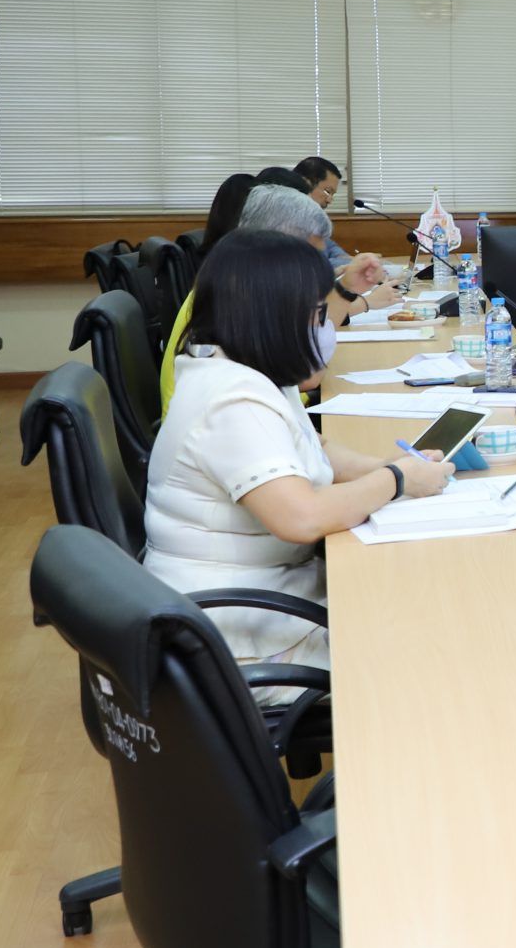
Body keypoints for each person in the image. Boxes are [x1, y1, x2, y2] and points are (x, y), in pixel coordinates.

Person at [143, 231, 454, 668]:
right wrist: (397, 480)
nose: (325, 327)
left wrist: (382, 467)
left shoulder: (241, 368)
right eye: (318, 314)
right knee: (430, 643)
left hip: (268, 598)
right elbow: (302, 517)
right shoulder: (234, 401)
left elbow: (312, 445)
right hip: (238, 639)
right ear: (275, 316)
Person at [162, 183, 389, 402]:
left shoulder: (239, 276)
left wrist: (347, 288)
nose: (313, 266)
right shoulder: (242, 294)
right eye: (308, 256)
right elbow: (306, 375)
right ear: (275, 245)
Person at [294, 156, 350, 269]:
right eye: (328, 191)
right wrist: (352, 264)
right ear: (306, 184)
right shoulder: (284, 216)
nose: (329, 200)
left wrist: (344, 257)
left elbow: (329, 245)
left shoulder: (312, 216)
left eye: (332, 194)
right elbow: (311, 265)